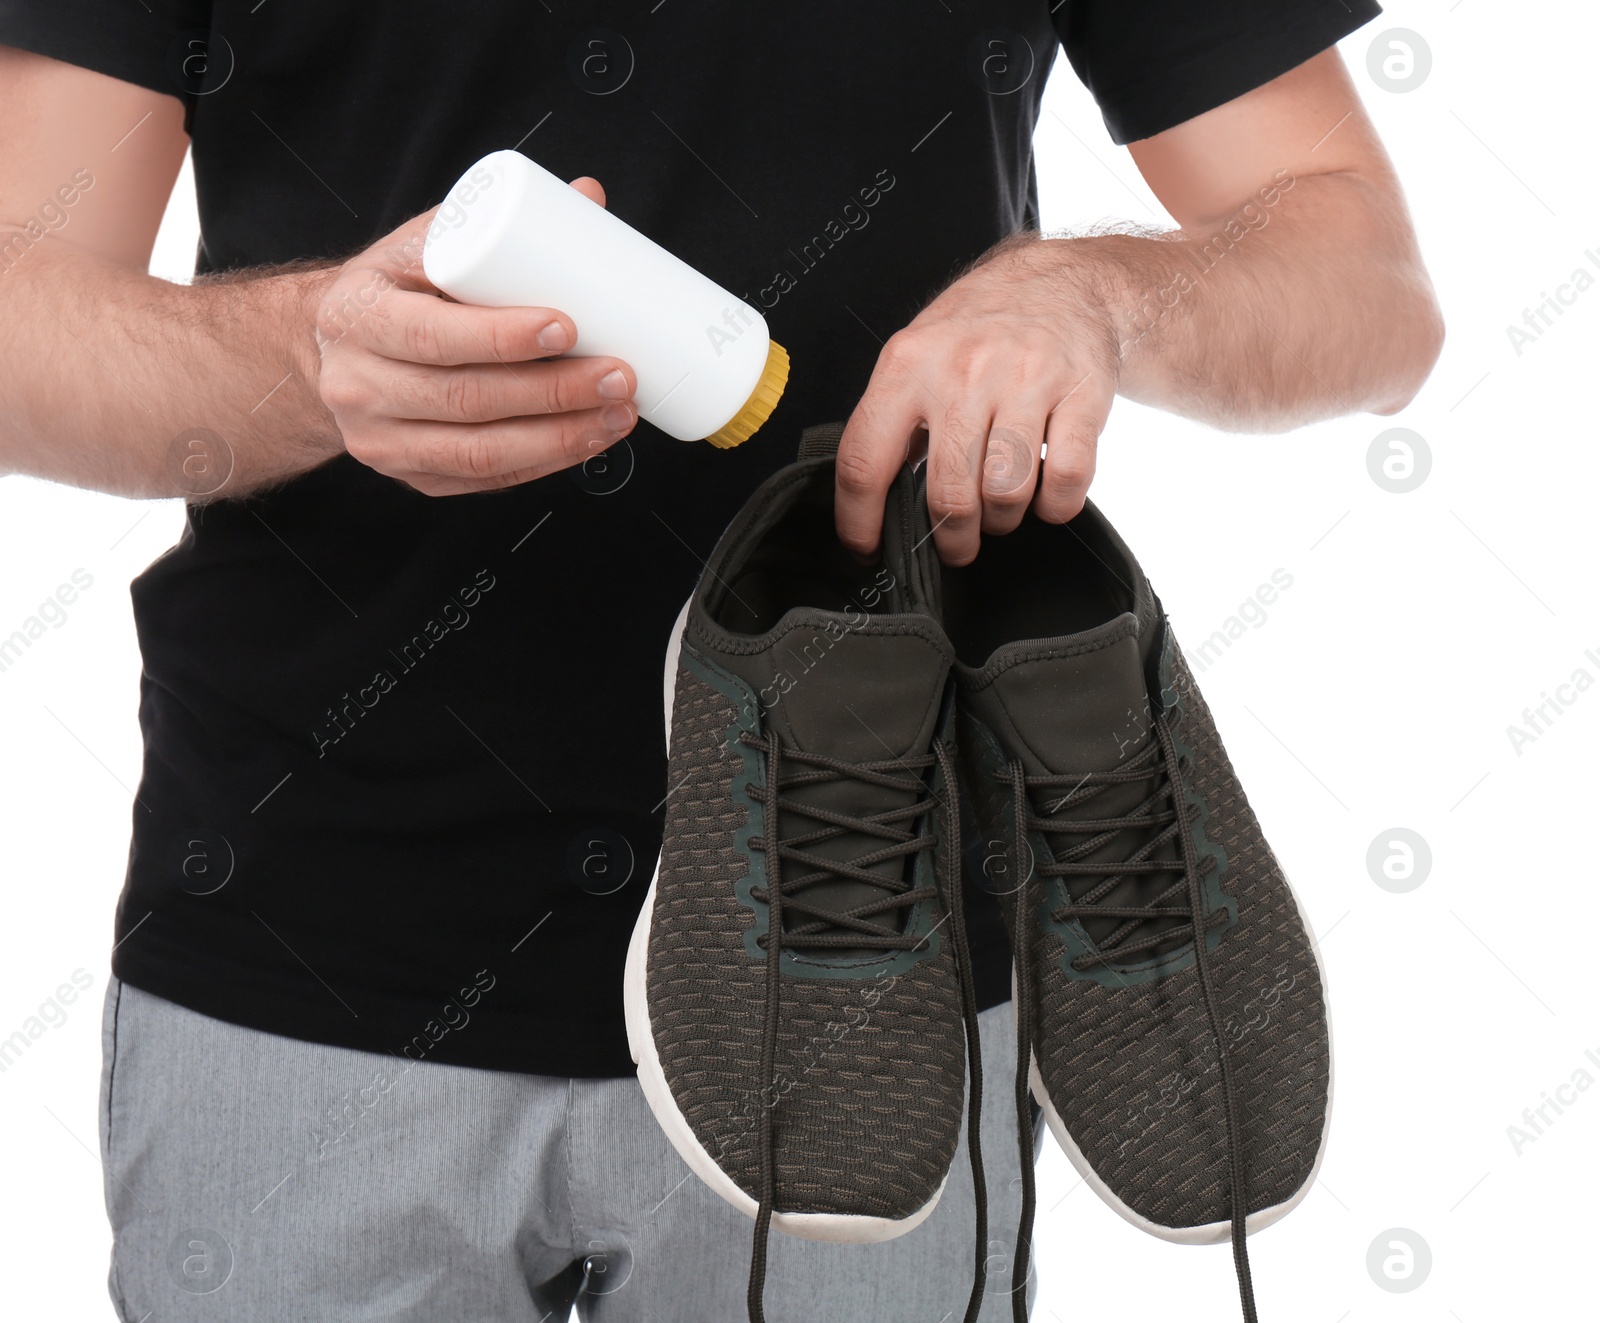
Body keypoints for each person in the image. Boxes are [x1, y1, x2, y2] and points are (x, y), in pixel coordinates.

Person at [0, 2, 1441, 1319]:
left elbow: (1366, 281)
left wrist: (1098, 299)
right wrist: (306, 355)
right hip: (307, 941)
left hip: (875, 966)